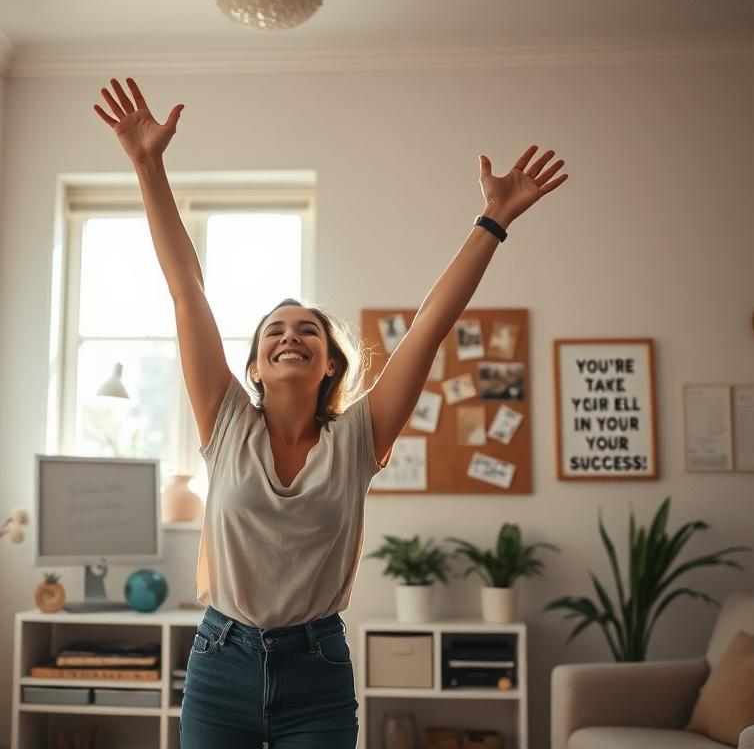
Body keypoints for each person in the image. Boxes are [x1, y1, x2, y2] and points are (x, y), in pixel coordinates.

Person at [94, 77, 568, 748]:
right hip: (218, 662)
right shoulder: (223, 421)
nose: (290, 335)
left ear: (331, 364)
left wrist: (492, 221)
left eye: (308, 331)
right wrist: (147, 163)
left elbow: (430, 326)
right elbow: (184, 290)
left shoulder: (359, 438)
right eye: (274, 331)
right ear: (255, 364)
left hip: (316, 671)